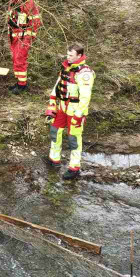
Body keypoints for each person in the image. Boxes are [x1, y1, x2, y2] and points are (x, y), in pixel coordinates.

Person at [44, 44, 96, 180]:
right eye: (67, 55)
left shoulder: (84, 73)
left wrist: (79, 115)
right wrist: (52, 103)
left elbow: (85, 97)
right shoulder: (66, 67)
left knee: (74, 139)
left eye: (71, 55)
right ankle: (54, 159)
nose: (68, 57)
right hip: (61, 106)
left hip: (75, 110)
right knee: (55, 131)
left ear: (79, 56)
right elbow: (58, 86)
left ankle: (74, 168)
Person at [6, 0, 41, 94]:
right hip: (14, 36)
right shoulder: (13, 2)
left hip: (24, 36)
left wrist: (29, 37)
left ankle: (22, 85)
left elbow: (36, 22)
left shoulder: (29, 3)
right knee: (16, 59)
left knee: (20, 59)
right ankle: (19, 82)